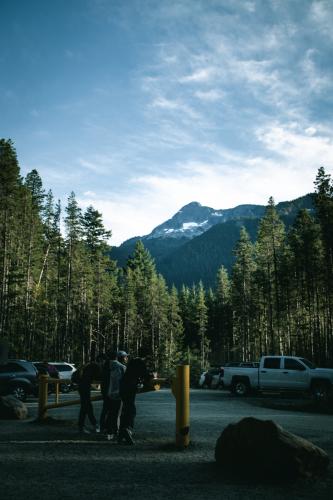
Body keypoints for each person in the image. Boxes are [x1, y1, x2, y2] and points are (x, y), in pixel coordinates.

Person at [118, 357, 154, 445]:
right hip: (129, 387)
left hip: (123, 386)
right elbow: (145, 375)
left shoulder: (133, 361)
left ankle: (121, 434)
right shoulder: (140, 362)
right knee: (131, 410)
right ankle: (127, 429)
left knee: (126, 409)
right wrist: (152, 376)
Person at [100, 350, 127, 440]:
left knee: (108, 412)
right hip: (118, 394)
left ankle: (107, 431)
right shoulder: (122, 367)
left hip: (107, 393)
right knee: (117, 414)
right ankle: (115, 432)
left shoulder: (105, 366)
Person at [77, 360, 101, 434]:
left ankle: (83, 426)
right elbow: (98, 376)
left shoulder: (88, 366)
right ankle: (95, 425)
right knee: (87, 407)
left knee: (84, 408)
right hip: (85, 387)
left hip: (82, 387)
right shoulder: (95, 366)